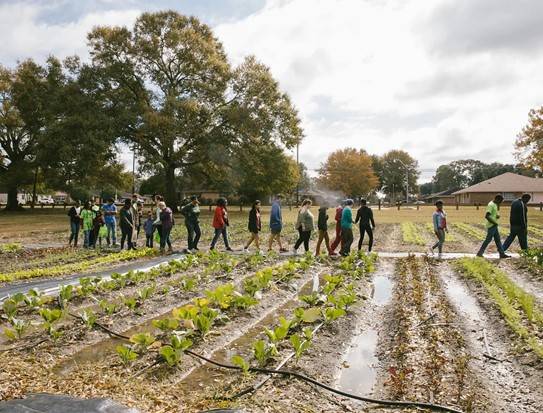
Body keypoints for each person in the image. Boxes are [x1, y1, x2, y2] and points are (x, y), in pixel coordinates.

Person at [476, 194, 509, 258]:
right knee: (488, 240)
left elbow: (493, 214)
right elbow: (487, 216)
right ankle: (480, 253)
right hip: (491, 225)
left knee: (498, 240)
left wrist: (496, 216)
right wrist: (495, 223)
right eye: (500, 201)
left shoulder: (495, 204)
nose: (500, 203)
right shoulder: (491, 205)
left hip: (494, 225)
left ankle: (502, 253)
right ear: (497, 199)